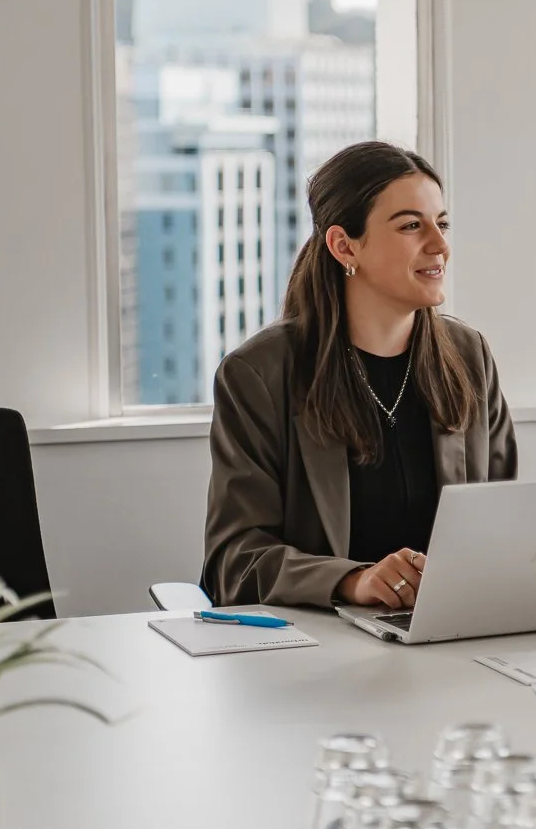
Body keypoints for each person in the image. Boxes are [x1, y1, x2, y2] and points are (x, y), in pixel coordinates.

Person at [202, 141, 516, 609]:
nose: (440, 245)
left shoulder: (469, 356)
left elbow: (504, 524)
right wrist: (356, 581)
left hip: (453, 633)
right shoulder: (257, 374)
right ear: (344, 245)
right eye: (412, 225)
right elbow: (233, 562)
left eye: (442, 223)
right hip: (321, 652)